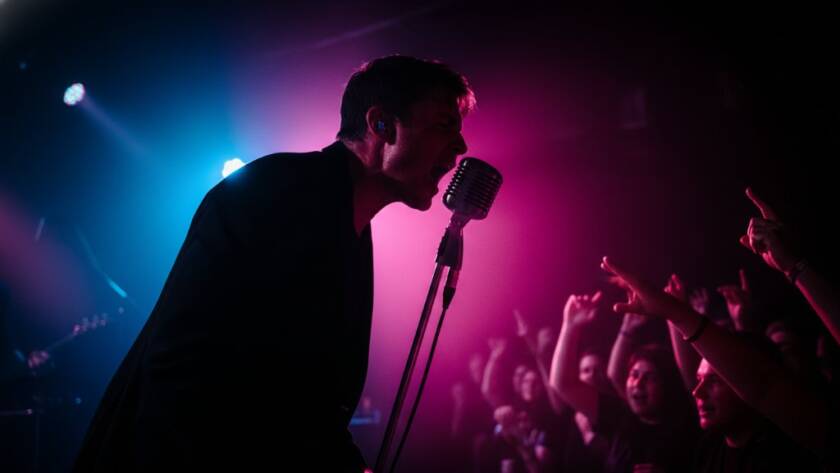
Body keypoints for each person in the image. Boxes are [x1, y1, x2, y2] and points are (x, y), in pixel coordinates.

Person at [72, 55, 474, 472]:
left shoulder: (349, 226)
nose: (461, 147)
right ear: (380, 124)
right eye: (444, 125)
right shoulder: (276, 191)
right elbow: (185, 368)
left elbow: (307, 403)